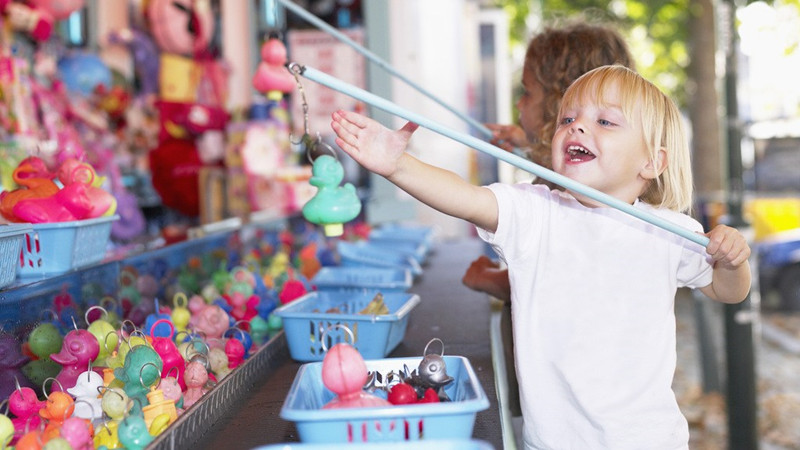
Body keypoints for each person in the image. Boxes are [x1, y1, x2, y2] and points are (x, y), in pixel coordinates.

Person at [330, 65, 751, 449]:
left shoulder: (671, 231)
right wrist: (398, 165)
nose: (578, 129)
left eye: (604, 121)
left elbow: (726, 291)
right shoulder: (536, 211)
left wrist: (734, 263)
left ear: (651, 162)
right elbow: (465, 198)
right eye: (569, 119)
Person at [463, 21, 635, 302]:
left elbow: (554, 280)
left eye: (527, 92)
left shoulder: (569, 189)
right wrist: (531, 145)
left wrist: (487, 280)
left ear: (559, 101)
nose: (519, 104)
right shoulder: (615, 177)